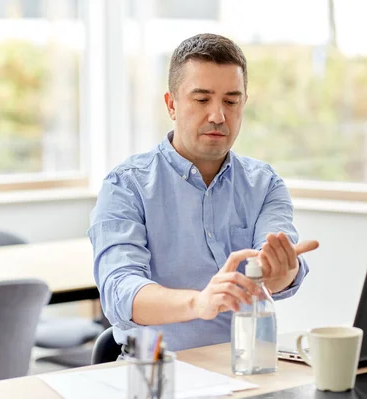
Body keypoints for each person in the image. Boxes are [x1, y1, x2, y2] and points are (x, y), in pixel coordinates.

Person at [88, 33, 319, 353]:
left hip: (249, 365)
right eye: (202, 99)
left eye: (231, 101)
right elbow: (120, 292)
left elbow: (278, 274)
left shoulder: (264, 184)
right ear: (172, 104)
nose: (218, 115)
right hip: (158, 372)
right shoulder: (127, 186)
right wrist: (198, 303)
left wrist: (279, 271)